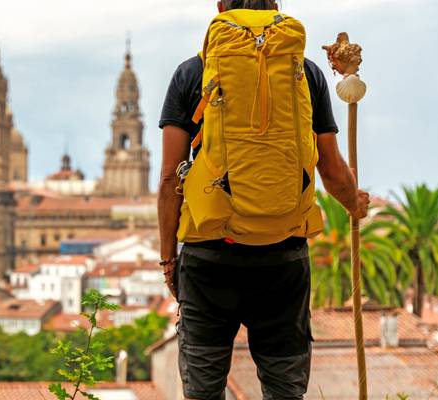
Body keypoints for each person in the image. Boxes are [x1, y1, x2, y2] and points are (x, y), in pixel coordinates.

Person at [156, 0, 370, 399]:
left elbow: (170, 177)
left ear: (220, 7)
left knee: (203, 392)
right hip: (283, 258)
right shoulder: (304, 73)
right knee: (284, 391)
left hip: (208, 257)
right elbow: (332, 171)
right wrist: (354, 203)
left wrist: (170, 259)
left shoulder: (192, 72)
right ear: (275, 5)